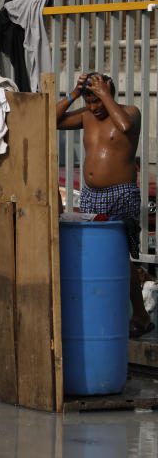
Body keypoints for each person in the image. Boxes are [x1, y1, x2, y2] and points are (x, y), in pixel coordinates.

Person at [56, 72, 152, 338]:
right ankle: (101, 307)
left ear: (108, 93)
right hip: (91, 195)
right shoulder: (86, 116)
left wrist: (105, 95)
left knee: (120, 256)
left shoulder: (130, 112)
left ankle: (140, 314)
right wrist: (74, 94)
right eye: (90, 102)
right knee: (91, 254)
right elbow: (51, 121)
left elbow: (123, 126)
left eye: (97, 101)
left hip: (121, 194)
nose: (94, 108)